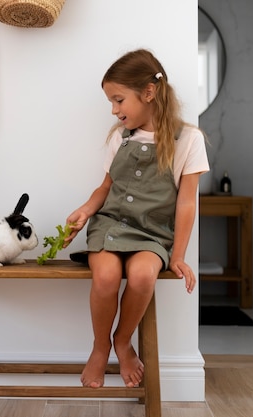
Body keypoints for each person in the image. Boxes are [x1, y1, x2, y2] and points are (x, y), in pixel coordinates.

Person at [64, 49, 209, 389]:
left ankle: (122, 340)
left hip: (152, 234)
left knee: (143, 276)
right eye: (111, 102)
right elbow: (105, 188)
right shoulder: (120, 137)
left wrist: (177, 256)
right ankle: (100, 348)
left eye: (118, 100)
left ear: (148, 92)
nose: (114, 110)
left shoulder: (189, 140)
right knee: (106, 278)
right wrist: (86, 210)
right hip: (111, 225)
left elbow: (187, 203)